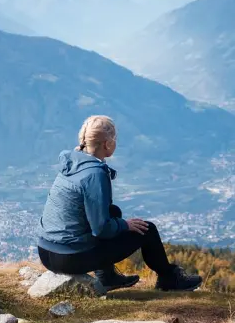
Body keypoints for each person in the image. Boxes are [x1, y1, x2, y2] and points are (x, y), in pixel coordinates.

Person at [37, 115, 202, 292]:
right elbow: (101, 229)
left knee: (113, 211)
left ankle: (107, 277)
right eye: (115, 139)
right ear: (107, 144)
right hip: (68, 258)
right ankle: (169, 279)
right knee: (147, 230)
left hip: (46, 252)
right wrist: (125, 225)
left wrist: (119, 223)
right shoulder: (95, 174)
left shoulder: (73, 162)